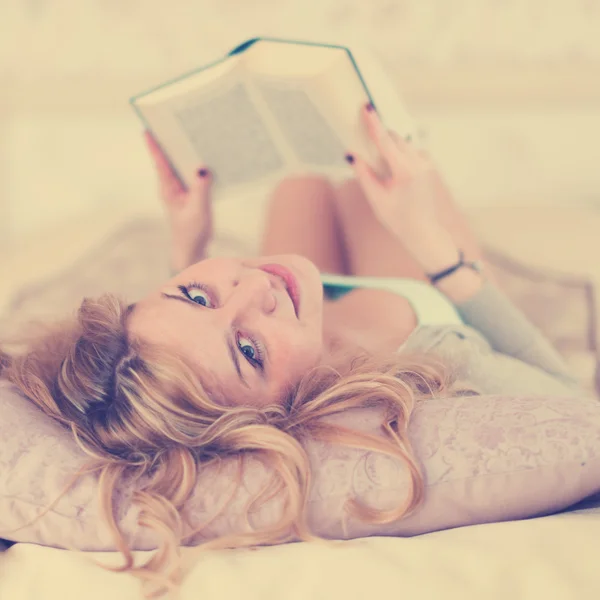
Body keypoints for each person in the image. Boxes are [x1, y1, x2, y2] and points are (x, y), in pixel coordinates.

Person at [0, 104, 581, 595]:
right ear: (264, 417)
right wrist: (439, 253)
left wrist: (189, 241)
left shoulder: (261, 316)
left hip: (314, 328)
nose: (258, 286)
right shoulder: (428, 371)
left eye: (194, 293)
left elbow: (180, 358)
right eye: (248, 350)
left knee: (301, 176)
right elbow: (573, 406)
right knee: (363, 173)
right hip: (395, 313)